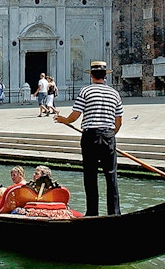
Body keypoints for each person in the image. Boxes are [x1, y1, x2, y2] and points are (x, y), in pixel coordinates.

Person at [54, 61, 123, 217]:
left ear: (91, 76)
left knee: (90, 176)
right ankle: (115, 214)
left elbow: (75, 116)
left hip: (90, 137)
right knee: (111, 176)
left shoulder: (86, 91)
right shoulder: (114, 93)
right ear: (105, 76)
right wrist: (111, 135)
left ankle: (92, 213)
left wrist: (62, 119)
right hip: (108, 136)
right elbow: (119, 121)